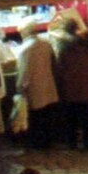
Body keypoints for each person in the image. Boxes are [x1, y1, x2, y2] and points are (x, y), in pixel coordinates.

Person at [58, 25, 88, 151]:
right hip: (87, 89)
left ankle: (72, 143)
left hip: (70, 90)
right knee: (86, 118)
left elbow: (60, 69)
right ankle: (87, 142)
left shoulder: (65, 52)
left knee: (72, 118)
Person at [19, 21, 61, 149]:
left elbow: (25, 70)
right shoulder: (46, 43)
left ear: (25, 32)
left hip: (34, 87)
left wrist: (20, 86)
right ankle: (49, 141)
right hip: (48, 84)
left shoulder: (26, 48)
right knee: (47, 115)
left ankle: (39, 143)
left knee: (36, 117)